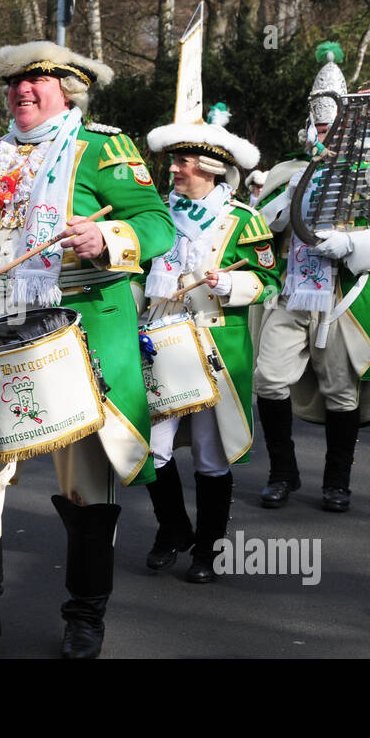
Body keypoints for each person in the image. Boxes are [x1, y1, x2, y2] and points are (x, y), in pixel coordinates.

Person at [0, 41, 174, 659]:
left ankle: (85, 617)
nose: (22, 90)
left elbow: (158, 223)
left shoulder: (104, 148)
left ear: (70, 89)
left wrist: (107, 234)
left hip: (77, 339)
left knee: (87, 486)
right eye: (13, 82)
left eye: (38, 80)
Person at [253, 47, 370, 512]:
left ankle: (337, 481)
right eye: (319, 126)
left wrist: (356, 246)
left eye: (333, 127)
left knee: (342, 393)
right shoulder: (288, 172)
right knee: (268, 379)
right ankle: (281, 473)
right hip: (291, 295)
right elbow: (255, 235)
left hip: (344, 301)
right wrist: (278, 210)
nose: (324, 134)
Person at [136, 121, 280, 580]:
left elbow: (269, 282)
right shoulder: (157, 213)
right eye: (174, 160)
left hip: (214, 348)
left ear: (211, 169)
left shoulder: (245, 220)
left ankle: (210, 551)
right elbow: (138, 272)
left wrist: (231, 282)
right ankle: (174, 529)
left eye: (182, 161)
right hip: (160, 343)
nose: (173, 169)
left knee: (209, 453)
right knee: (151, 450)